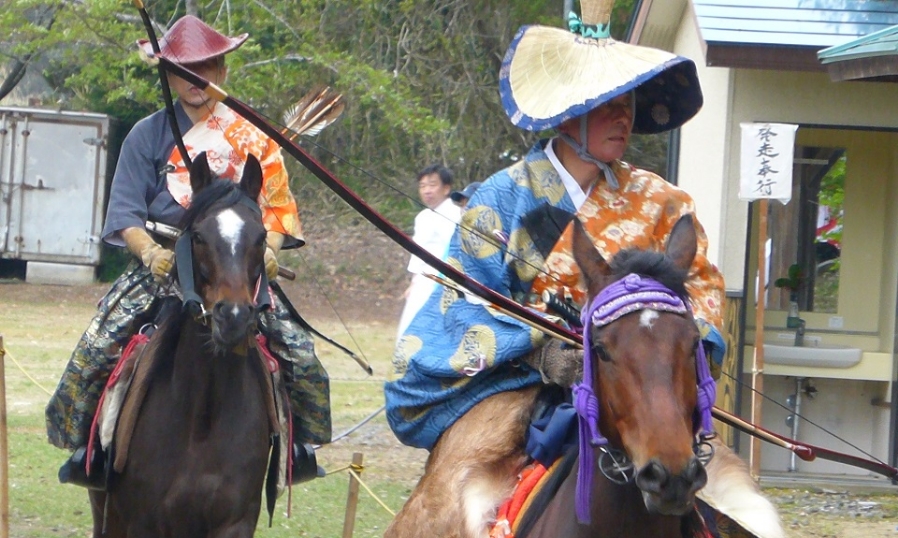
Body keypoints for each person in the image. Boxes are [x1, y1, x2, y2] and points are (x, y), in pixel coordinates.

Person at [384, 0, 740, 533]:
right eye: (607, 103)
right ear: (567, 110)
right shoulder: (503, 198)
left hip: (643, 379)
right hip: (525, 384)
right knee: (461, 499)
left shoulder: (664, 202)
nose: (624, 114)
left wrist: (665, 349)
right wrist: (544, 350)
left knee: (735, 499)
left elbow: (704, 295)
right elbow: (461, 305)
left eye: (628, 101)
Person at [45, 15, 331, 489]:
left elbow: (277, 211)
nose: (196, 80)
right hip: (164, 261)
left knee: (301, 356)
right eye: (185, 69)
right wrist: (149, 254)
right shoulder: (146, 134)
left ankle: (299, 449)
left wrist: (272, 253)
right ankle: (87, 448)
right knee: (96, 347)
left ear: (222, 69)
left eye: (207, 66)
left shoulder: (254, 136)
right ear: (169, 75)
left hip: (240, 263)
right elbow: (125, 214)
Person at [395, 164, 462, 339]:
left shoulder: (455, 214)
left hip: (446, 280)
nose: (427, 191)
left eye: (432, 185)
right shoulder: (422, 217)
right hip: (424, 280)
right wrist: (413, 282)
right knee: (409, 328)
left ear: (446, 188)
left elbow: (455, 249)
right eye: (423, 186)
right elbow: (418, 252)